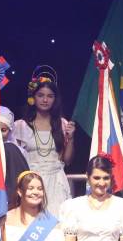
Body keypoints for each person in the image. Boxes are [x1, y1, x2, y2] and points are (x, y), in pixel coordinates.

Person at [12, 67, 76, 217]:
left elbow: (67, 160)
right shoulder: (20, 126)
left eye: (50, 96)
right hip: (31, 183)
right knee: (32, 223)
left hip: (56, 181)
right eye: (40, 95)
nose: (45, 100)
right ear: (33, 98)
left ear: (55, 99)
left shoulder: (61, 123)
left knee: (57, 222)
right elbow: (16, 161)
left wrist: (71, 138)